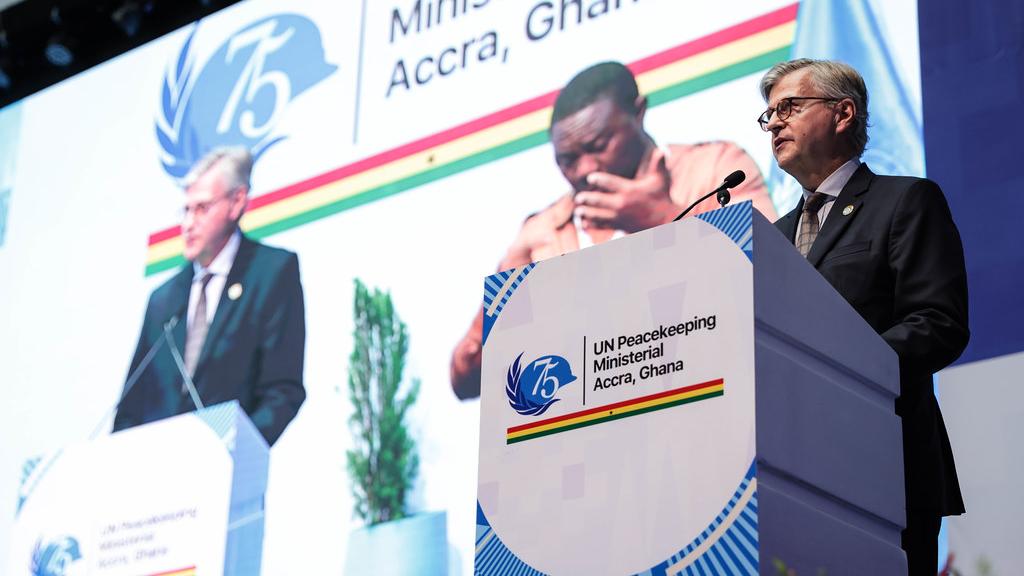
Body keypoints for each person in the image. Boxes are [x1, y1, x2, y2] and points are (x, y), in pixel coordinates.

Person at [450, 61, 776, 399]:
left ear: (639, 113)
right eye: (568, 159)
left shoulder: (714, 170)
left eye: (599, 145)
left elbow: (776, 282)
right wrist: (509, 283)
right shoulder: (545, 229)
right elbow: (465, 381)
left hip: (709, 406)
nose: (586, 170)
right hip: (585, 435)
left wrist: (663, 218)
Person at [759, 58, 968, 574]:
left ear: (843, 113)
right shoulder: (771, 237)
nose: (775, 123)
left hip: (885, 466)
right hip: (789, 475)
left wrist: (835, 376)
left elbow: (937, 323)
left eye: (789, 107)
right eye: (768, 116)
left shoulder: (904, 201)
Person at [113, 147, 306, 446]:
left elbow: (282, 392)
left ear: (236, 202)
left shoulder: (272, 272)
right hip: (152, 474)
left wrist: (233, 453)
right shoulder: (162, 300)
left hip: (226, 476)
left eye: (202, 208)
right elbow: (129, 409)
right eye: (186, 210)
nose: (188, 224)